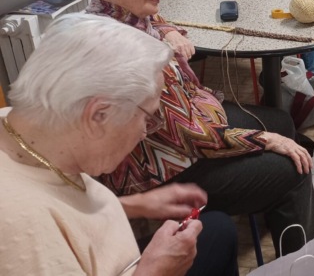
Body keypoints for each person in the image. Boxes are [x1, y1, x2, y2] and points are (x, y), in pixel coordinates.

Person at [72, 0, 314, 257]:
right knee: (292, 165)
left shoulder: (115, 13)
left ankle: (275, 208)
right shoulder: (123, 53)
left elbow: (154, 19)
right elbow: (194, 137)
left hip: (187, 130)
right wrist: (265, 141)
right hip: (162, 168)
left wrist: (169, 31)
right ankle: (306, 262)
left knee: (281, 122)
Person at [0, 14, 204, 275]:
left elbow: (65, 209)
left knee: (220, 231)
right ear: (98, 115)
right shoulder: (22, 227)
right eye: (146, 117)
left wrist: (134, 205)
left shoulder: (21, 124)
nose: (145, 132)